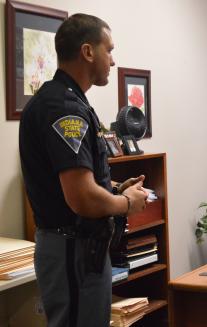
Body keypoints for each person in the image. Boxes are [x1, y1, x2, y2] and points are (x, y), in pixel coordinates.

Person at [19, 14, 148, 326]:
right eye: (109, 50)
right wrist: (127, 203)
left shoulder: (65, 101)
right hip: (71, 250)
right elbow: (82, 198)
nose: (113, 61)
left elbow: (77, 178)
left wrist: (114, 188)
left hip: (78, 248)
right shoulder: (64, 108)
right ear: (88, 52)